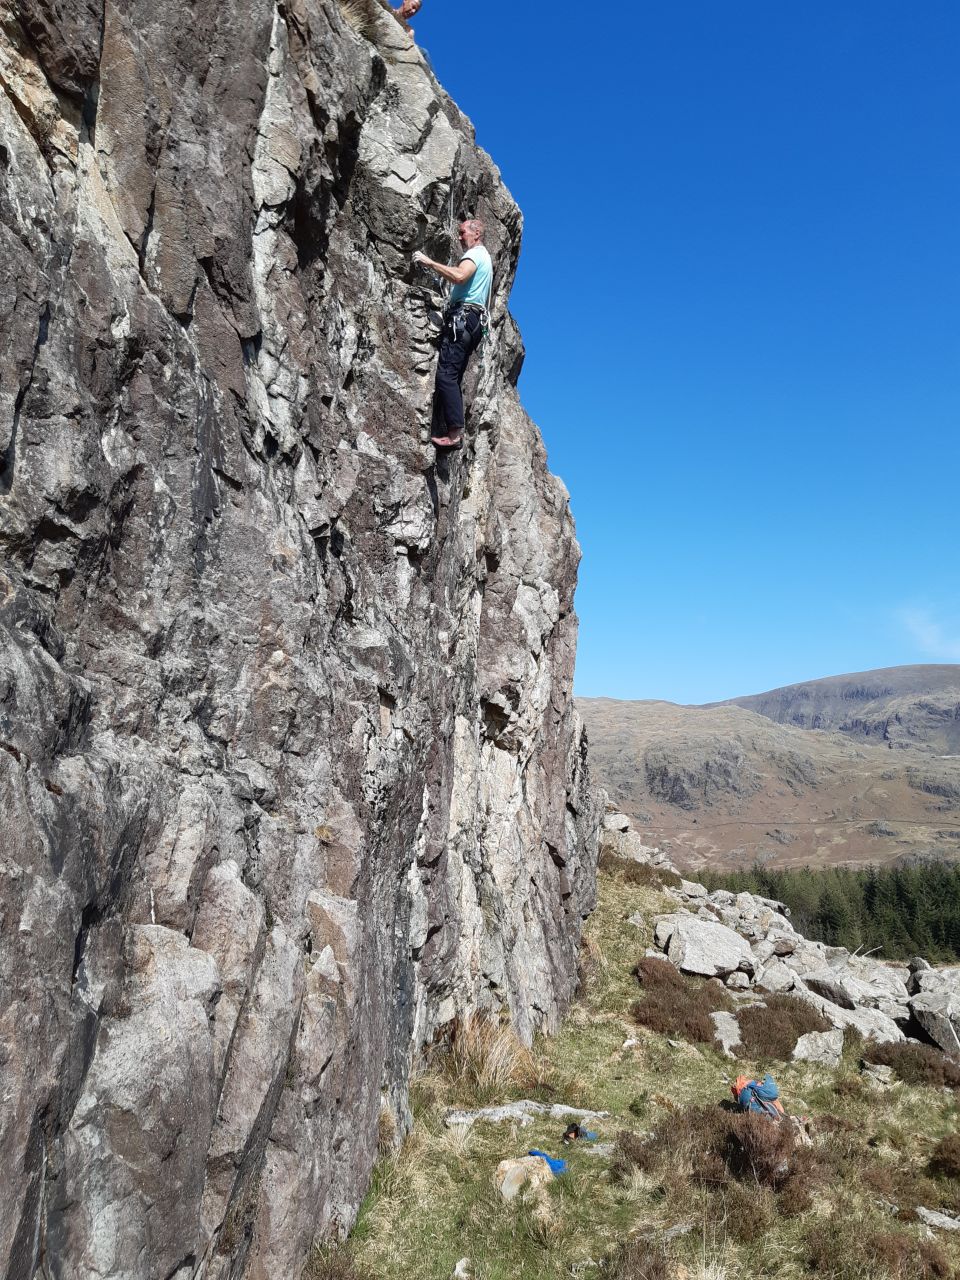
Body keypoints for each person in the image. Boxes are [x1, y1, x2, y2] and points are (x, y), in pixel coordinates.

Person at [413, 219, 493, 449]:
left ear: (476, 233)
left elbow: (459, 276)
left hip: (464, 319)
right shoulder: (485, 257)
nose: (459, 237)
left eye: (462, 232)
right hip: (473, 322)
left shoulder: (475, 255)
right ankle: (448, 427)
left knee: (446, 375)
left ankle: (454, 433)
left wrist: (429, 262)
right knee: (453, 376)